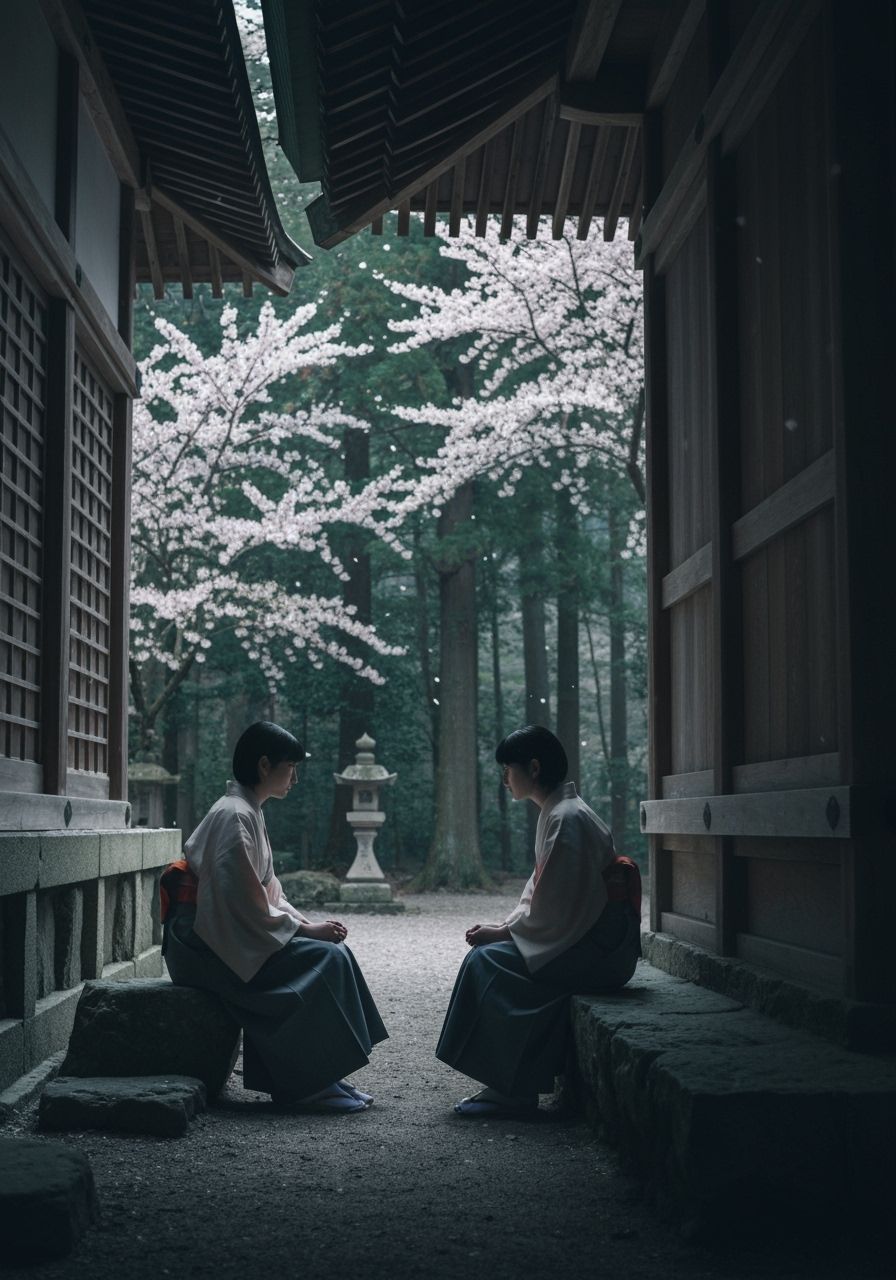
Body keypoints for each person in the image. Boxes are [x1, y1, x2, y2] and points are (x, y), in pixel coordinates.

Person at [162, 721, 387, 1113]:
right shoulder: (234, 815)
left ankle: (322, 1075)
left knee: (332, 954)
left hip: (223, 932)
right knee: (324, 960)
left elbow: (268, 893)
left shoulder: (247, 811)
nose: (295, 778)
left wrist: (305, 926)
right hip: (202, 946)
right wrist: (303, 931)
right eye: (290, 767)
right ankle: (304, 1084)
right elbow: (240, 902)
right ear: (265, 765)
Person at [436, 725, 641, 1117]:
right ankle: (510, 1084)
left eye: (508, 769)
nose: (504, 779)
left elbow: (556, 908)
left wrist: (505, 933)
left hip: (597, 954)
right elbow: (543, 896)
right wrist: (506, 929)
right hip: (584, 938)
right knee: (490, 956)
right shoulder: (561, 813)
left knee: (488, 963)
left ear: (533, 768)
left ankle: (513, 1090)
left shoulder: (566, 818)